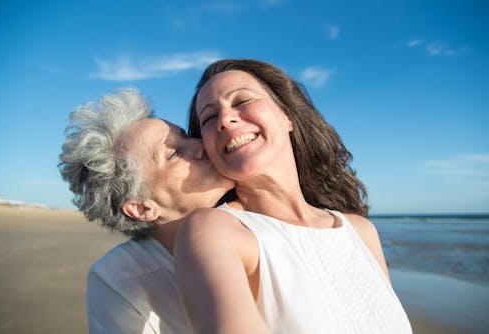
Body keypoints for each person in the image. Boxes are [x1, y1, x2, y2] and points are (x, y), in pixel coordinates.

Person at [174, 59, 413, 333]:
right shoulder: (215, 230)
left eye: (241, 101)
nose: (225, 120)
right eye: (209, 117)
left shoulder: (361, 231)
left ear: (286, 115)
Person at [59, 88, 234, 334]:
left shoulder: (258, 218)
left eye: (185, 136)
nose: (200, 145)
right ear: (142, 208)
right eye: (173, 154)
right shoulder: (117, 281)